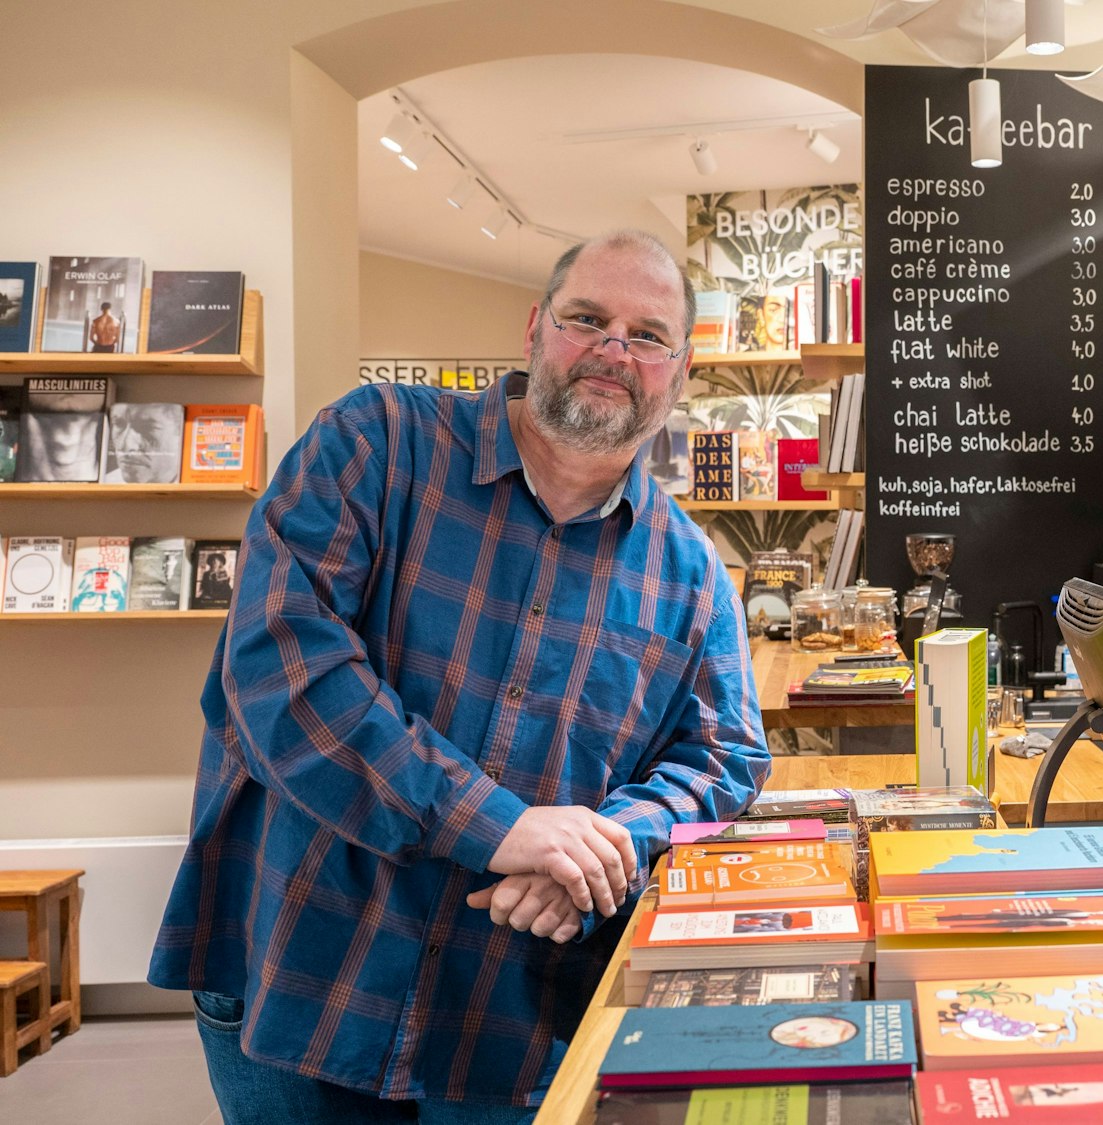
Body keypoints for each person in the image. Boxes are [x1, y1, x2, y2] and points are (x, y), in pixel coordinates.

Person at [148, 229, 770, 1122]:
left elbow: (723, 759)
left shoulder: (691, 574)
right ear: (534, 328)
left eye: (647, 334)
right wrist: (502, 827)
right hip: (299, 966)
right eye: (586, 319)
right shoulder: (376, 442)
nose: (612, 350)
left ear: (681, 368)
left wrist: (610, 842)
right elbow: (281, 666)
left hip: (500, 1017)